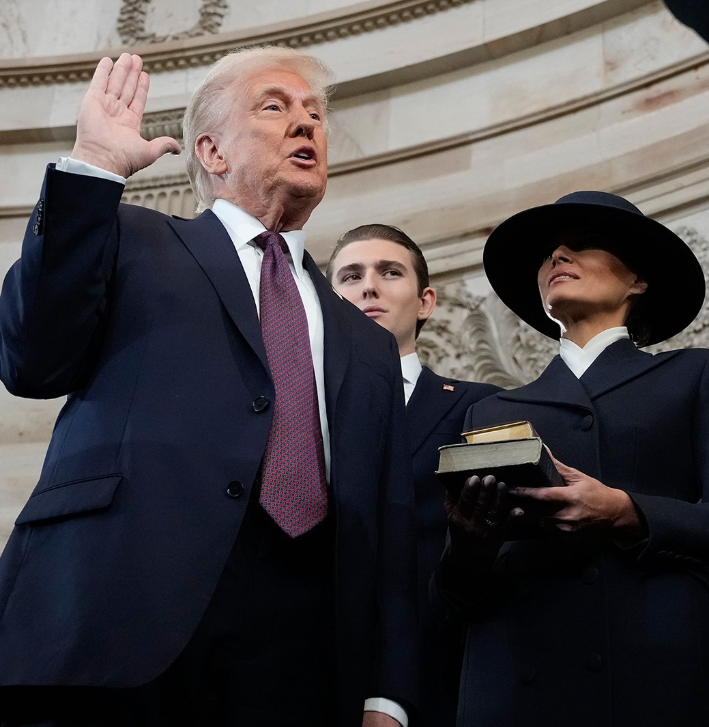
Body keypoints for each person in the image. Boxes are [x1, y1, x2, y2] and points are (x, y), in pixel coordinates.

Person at [0, 48, 418, 727]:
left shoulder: (368, 343)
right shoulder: (131, 239)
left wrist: (386, 693)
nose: (306, 123)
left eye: (315, 113)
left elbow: (389, 527)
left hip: (302, 657)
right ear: (212, 152)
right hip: (115, 622)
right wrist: (93, 171)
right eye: (275, 107)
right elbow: (31, 359)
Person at [439, 191, 709, 726]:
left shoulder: (694, 377)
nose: (559, 255)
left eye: (583, 244)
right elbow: (457, 597)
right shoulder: (491, 410)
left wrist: (624, 510)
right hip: (522, 681)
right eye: (549, 253)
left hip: (656, 676)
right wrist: (470, 540)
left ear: (638, 280)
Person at [327, 224, 498, 726]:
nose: (369, 287)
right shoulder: (297, 410)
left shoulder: (478, 406)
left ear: (426, 302)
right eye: (351, 276)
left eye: (390, 272)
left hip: (443, 668)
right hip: (312, 666)